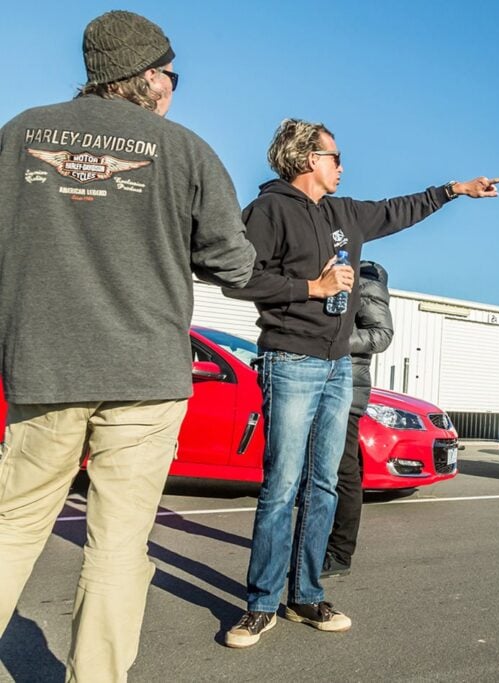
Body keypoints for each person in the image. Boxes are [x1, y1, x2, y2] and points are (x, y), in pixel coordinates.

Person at [0, 11, 255, 680]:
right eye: (172, 75)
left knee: (12, 526)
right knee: (116, 546)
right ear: (146, 76)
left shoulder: (19, 133)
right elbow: (233, 264)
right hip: (145, 373)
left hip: (42, 365)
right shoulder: (184, 149)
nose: (174, 88)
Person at [222, 117, 499, 648]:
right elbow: (240, 278)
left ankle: (305, 595)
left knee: (325, 484)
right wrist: (314, 286)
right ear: (309, 159)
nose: (342, 166)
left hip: (336, 370)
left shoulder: (343, 213)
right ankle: (260, 604)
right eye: (334, 156)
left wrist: (455, 191)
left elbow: (399, 210)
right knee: (282, 486)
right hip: (291, 361)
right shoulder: (267, 210)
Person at [322, 261, 394, 578]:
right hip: (324, 383)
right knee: (326, 470)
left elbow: (381, 335)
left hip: (348, 388)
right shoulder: (336, 272)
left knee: (345, 470)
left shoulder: (366, 279)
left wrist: (335, 341)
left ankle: (339, 552)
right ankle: (320, 546)